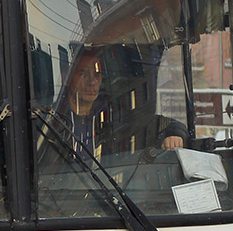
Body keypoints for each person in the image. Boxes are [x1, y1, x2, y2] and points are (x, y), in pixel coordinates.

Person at [56, 47, 187, 157]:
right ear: (67, 77)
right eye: (84, 74)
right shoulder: (53, 119)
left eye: (97, 74)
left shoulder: (113, 114)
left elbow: (156, 122)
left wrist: (174, 134)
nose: (92, 82)